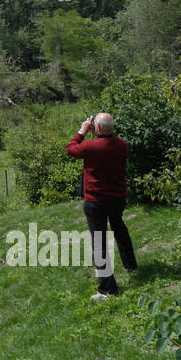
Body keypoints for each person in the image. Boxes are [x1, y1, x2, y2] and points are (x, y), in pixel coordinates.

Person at [66, 112, 138, 299]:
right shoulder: (122, 144)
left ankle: (107, 288)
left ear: (96, 128)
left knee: (99, 242)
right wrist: (96, 133)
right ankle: (130, 264)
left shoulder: (90, 147)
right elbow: (106, 146)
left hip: (96, 202)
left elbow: (71, 149)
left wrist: (82, 131)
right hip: (117, 199)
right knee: (119, 228)